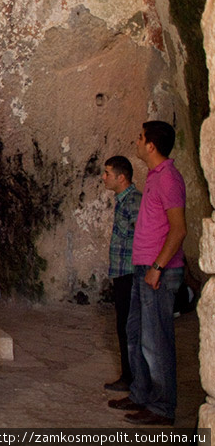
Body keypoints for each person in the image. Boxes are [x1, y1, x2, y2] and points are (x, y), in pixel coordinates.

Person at [109, 121, 186, 426]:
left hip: (158, 271)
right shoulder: (155, 176)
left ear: (151, 145)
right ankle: (141, 393)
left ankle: (162, 407)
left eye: (140, 138)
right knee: (137, 334)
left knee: (157, 341)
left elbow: (178, 229)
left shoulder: (168, 178)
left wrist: (157, 267)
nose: (137, 142)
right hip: (143, 268)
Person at [101, 155, 141, 393]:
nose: (104, 177)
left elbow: (144, 237)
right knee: (123, 325)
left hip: (131, 273)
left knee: (129, 326)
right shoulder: (123, 200)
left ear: (121, 177)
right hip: (122, 272)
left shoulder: (134, 201)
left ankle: (133, 378)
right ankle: (129, 375)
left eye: (107, 173)